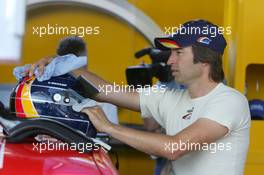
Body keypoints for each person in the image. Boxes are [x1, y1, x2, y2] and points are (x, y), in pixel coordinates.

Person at [25, 19, 250, 175]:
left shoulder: (229, 101)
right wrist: (63, 64)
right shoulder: (170, 97)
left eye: (178, 53)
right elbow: (105, 91)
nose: (170, 61)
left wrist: (109, 127)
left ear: (204, 59)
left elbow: (174, 147)